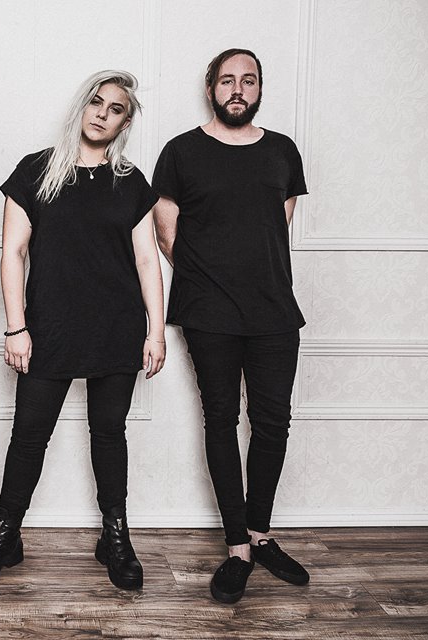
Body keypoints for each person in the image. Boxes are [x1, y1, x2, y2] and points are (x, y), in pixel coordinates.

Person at [0, 70, 165, 591]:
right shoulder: (35, 170)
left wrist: (157, 332)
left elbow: (147, 260)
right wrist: (16, 327)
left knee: (108, 434)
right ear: (81, 106)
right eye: (96, 102)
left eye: (115, 109)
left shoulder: (130, 182)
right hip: (48, 328)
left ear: (124, 123)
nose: (102, 113)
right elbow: (13, 254)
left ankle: (115, 537)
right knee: (29, 435)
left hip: (117, 328)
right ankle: (5, 534)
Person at [152, 48, 310, 604]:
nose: (238, 89)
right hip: (208, 312)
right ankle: (238, 546)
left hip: (274, 310)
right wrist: (212, 278)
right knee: (220, 420)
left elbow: (278, 220)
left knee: (272, 423)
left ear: (259, 88)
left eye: (248, 80)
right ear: (211, 88)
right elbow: (166, 232)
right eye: (227, 80)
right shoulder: (182, 151)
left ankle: (261, 532)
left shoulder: (282, 150)